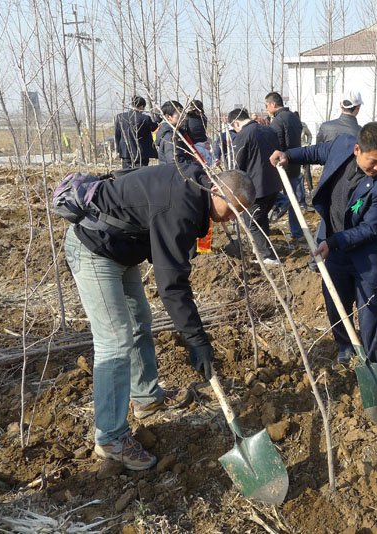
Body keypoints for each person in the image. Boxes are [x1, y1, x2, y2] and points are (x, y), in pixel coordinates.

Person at [63, 163, 255, 470]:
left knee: (140, 321)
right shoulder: (180, 206)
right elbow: (172, 285)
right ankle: (111, 439)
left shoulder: (194, 186)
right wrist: (196, 340)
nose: (233, 219)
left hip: (121, 248)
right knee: (115, 341)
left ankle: (145, 397)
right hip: (94, 248)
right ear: (216, 190)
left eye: (240, 213)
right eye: (233, 210)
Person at [270, 123, 377, 368]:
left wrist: (332, 242)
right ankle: (345, 346)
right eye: (373, 161)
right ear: (357, 149)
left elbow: (370, 229)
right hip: (335, 245)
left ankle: (374, 360)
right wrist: (288, 155)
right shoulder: (341, 146)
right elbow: (316, 152)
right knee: (335, 300)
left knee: (370, 307)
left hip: (366, 255)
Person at [231, 108, 283, 265]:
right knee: (261, 219)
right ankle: (260, 249)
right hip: (273, 184)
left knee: (252, 222)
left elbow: (238, 165)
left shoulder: (243, 135)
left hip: (256, 188)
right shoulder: (269, 130)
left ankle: (267, 256)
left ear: (236, 123)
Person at [265, 92, 305, 242]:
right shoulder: (294, 117)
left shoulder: (277, 121)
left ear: (273, 104)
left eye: (267, 105)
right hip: (295, 163)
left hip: (283, 166)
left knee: (282, 198)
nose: (266, 109)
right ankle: (298, 233)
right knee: (294, 200)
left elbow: (277, 145)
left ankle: (272, 224)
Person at [114, 96, 158, 169]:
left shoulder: (120, 117)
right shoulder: (145, 118)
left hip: (126, 153)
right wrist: (158, 119)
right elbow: (154, 128)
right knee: (141, 174)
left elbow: (117, 135)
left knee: (127, 173)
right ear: (141, 106)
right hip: (141, 154)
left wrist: (119, 149)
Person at [155, 100, 194, 165]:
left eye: (183, 112)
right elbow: (176, 163)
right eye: (180, 112)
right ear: (168, 117)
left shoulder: (179, 133)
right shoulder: (170, 137)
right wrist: (195, 166)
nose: (184, 116)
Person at [186, 100, 212, 166]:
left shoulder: (187, 117)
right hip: (203, 143)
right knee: (206, 164)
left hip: (193, 144)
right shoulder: (204, 117)